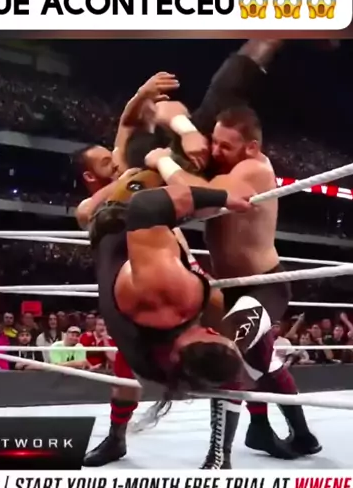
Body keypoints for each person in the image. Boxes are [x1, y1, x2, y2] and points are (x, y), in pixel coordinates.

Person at [147, 102, 321, 467]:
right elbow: (161, 107)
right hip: (230, 288)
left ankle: (219, 458)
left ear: (251, 147)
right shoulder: (224, 162)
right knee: (262, 362)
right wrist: (185, 130)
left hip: (263, 286)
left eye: (225, 145)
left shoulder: (252, 170)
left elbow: (203, 203)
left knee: (224, 353)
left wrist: (163, 161)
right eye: (214, 141)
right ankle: (294, 434)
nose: (215, 150)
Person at [89, 180, 250, 403]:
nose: (213, 329)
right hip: (100, 231)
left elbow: (145, 205)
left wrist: (223, 197)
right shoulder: (154, 369)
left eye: (216, 335)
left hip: (121, 209)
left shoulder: (170, 299)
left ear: (212, 334)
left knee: (193, 171)